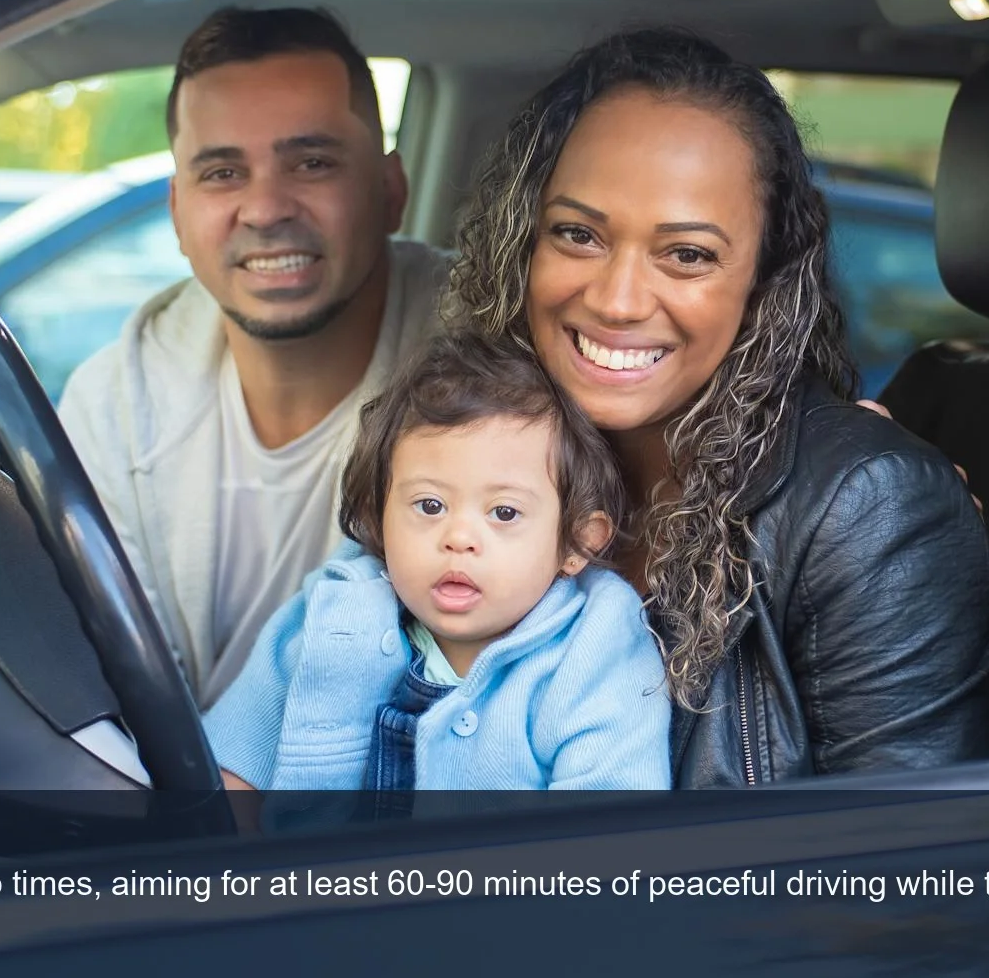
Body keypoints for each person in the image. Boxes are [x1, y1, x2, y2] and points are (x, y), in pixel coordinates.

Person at [442, 26, 989, 785]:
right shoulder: (472, 456)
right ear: (523, 245)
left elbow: (898, 877)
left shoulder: (866, 508)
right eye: (578, 234)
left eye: (687, 254)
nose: (616, 299)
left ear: (766, 280)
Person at [58, 8, 449, 708]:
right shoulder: (116, 401)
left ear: (391, 191)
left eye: (313, 162)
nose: (265, 208)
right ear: (178, 212)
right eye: (223, 172)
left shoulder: (493, 358)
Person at [202, 330, 670, 792]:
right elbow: (231, 771)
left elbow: (604, 835)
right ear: (376, 516)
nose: (459, 538)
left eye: (504, 513)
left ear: (576, 543)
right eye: (429, 506)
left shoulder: (595, 651)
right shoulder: (333, 609)